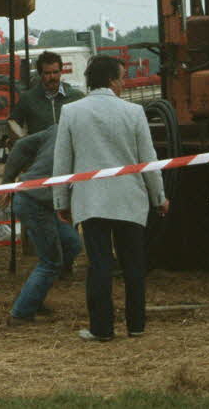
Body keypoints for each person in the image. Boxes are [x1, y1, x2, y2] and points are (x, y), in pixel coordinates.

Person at [52, 55, 168, 342]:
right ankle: (136, 325)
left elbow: (62, 162)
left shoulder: (71, 112)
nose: (124, 83)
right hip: (130, 199)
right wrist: (159, 197)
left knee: (99, 265)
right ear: (111, 80)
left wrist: (60, 202)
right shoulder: (134, 112)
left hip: (91, 201)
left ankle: (101, 328)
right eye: (122, 78)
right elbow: (148, 160)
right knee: (133, 265)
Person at [0, 123, 82, 326]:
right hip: (34, 200)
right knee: (51, 261)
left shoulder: (61, 127)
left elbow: (21, 146)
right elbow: (21, 146)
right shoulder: (61, 129)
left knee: (72, 244)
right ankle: (21, 314)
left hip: (43, 201)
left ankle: (32, 296)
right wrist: (7, 182)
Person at [7, 50, 85, 138]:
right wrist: (24, 143)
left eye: (55, 72)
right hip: (41, 150)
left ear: (61, 72)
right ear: (40, 74)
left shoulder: (77, 97)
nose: (52, 77)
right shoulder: (28, 99)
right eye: (47, 73)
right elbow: (13, 123)